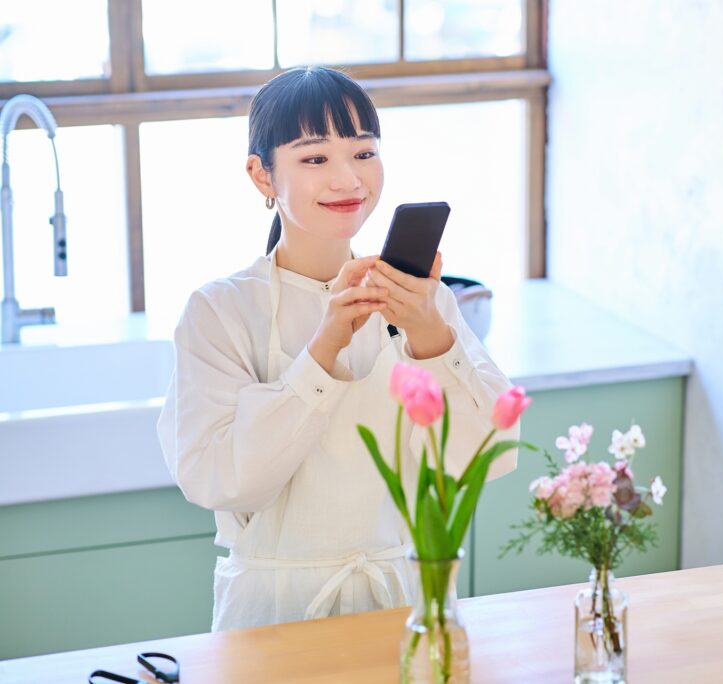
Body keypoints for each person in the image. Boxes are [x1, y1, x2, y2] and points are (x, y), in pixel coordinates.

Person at [156, 66, 519, 631]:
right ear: (262, 175)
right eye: (314, 158)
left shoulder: (421, 301)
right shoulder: (219, 311)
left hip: (402, 603)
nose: (348, 180)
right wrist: (323, 352)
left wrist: (430, 336)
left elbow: (490, 452)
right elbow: (219, 478)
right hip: (274, 613)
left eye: (364, 153)